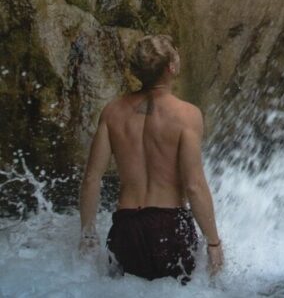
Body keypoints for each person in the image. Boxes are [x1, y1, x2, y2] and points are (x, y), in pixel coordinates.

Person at [78, 34, 224, 282]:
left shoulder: (112, 112)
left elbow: (92, 178)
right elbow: (194, 186)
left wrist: (88, 234)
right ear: (171, 68)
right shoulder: (187, 115)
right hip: (170, 227)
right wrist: (213, 243)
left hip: (126, 228)